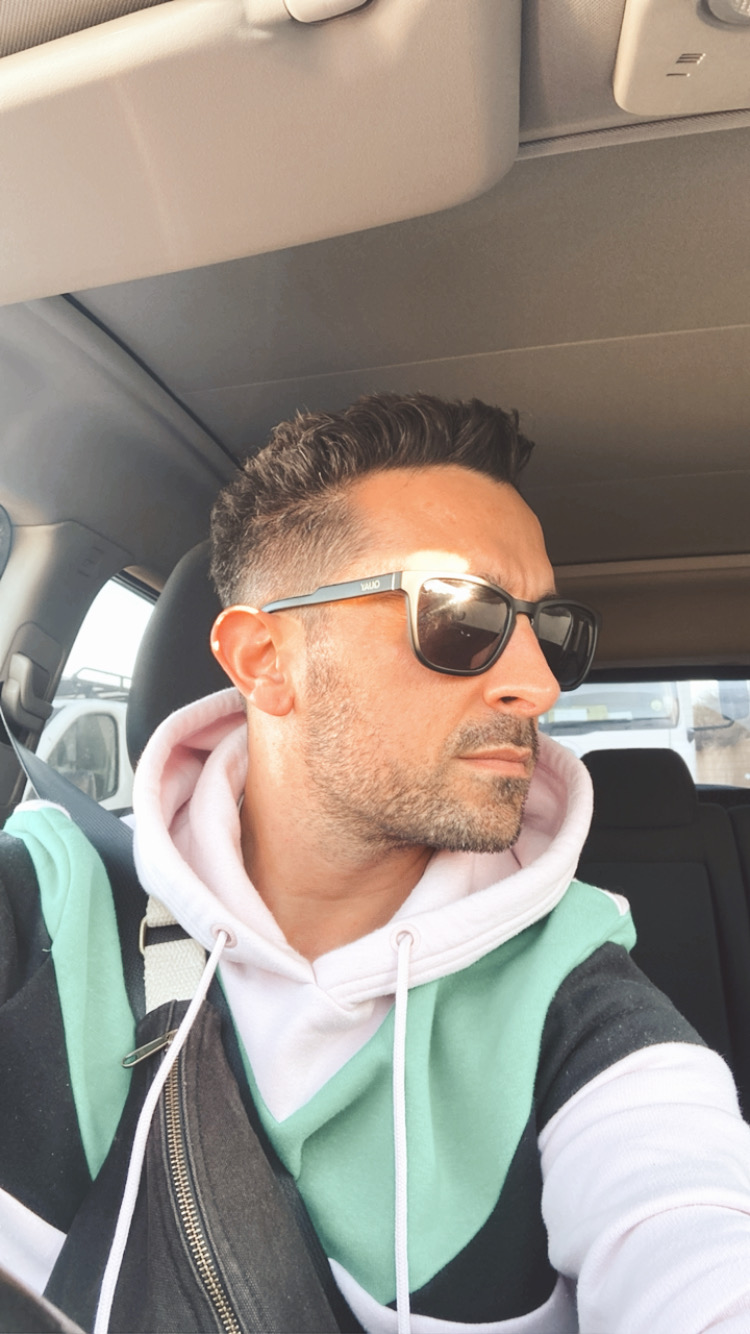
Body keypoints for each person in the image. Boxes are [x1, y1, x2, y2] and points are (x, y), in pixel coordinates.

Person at [1, 392, 750, 1334]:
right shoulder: (39, 903)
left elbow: (693, 1242)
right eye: (463, 614)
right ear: (265, 659)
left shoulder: (579, 1004)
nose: (539, 683)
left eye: (549, 629)